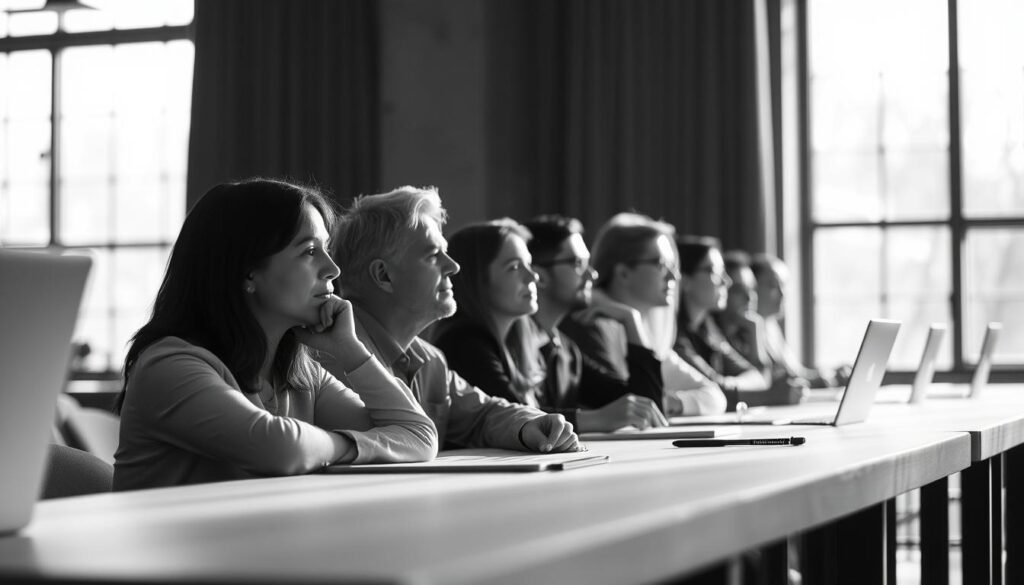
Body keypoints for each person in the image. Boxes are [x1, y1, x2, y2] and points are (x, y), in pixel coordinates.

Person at [113, 178, 438, 491]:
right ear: (248, 271)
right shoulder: (169, 367)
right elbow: (279, 448)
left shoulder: (301, 375)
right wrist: (348, 444)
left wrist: (351, 350)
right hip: (170, 548)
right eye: (310, 251)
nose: (332, 268)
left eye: (326, 248)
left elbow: (419, 436)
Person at [322, 186, 578, 453]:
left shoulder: (431, 360)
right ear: (384, 275)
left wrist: (529, 425)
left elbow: (483, 414)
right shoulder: (332, 356)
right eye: (433, 255)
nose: (453, 266)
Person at [432, 218, 666, 432]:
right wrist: (596, 419)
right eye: (514, 267)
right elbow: (512, 418)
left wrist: (631, 321)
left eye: (529, 264)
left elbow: (646, 409)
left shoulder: (557, 346)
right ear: (477, 279)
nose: (532, 276)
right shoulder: (464, 342)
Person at [559, 213, 727, 416]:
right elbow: (633, 407)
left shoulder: (642, 329)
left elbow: (715, 397)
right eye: (662, 265)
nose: (674, 276)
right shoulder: (593, 325)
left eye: (673, 266)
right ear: (623, 273)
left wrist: (668, 402)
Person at [675, 236, 803, 408]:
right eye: (714, 271)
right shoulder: (674, 335)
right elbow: (715, 390)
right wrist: (766, 396)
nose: (725, 281)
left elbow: (757, 377)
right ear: (686, 281)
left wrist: (727, 385)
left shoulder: (708, 330)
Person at [751, 253, 850, 388]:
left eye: (784, 285)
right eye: (774, 285)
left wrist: (829, 373)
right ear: (752, 287)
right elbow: (771, 383)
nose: (782, 293)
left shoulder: (771, 326)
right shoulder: (747, 329)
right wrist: (814, 381)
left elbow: (796, 372)